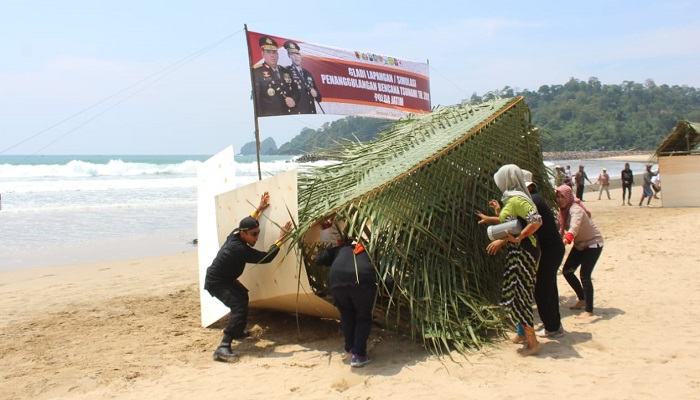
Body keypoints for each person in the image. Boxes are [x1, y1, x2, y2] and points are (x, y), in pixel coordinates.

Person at [204, 191, 293, 362]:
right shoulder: (239, 249)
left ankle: (237, 331)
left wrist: (258, 210)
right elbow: (267, 258)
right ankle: (223, 347)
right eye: (254, 234)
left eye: (258, 233)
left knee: (242, 297)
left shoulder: (236, 233)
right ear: (244, 234)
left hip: (225, 279)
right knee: (238, 306)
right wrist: (281, 239)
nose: (256, 237)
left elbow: (247, 221)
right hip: (217, 282)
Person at [476, 164, 543, 356]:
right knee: (517, 294)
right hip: (518, 252)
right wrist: (497, 213)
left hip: (524, 252)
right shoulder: (514, 199)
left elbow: (536, 220)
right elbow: (513, 223)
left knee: (520, 295)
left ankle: (533, 343)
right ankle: (525, 336)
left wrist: (517, 238)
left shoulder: (518, 199)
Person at [315, 235, 377, 368]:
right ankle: (359, 355)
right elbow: (385, 276)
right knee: (363, 316)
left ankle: (350, 348)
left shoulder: (341, 249)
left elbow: (319, 258)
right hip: (362, 280)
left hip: (337, 281)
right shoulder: (370, 250)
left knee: (347, 314)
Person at [523, 171, 566, 339]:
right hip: (553, 248)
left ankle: (552, 327)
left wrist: (516, 237)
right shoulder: (537, 198)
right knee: (548, 286)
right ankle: (554, 325)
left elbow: (528, 224)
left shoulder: (533, 200)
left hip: (551, 249)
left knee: (543, 288)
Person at [555, 184, 604, 319]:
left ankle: (589, 310)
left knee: (585, 275)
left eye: (562, 197)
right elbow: (559, 228)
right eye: (557, 197)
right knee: (567, 271)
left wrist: (566, 240)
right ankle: (582, 298)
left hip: (593, 243)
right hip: (580, 244)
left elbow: (574, 227)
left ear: (569, 197)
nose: (560, 200)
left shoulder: (575, 209)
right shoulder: (563, 212)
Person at [252, 36, 300, 117]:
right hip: (271, 118)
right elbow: (258, 101)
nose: (272, 55)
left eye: (274, 52)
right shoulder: (256, 72)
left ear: (277, 55)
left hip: (290, 115)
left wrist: (294, 100)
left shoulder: (285, 71)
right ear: (263, 54)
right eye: (268, 52)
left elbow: (296, 92)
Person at [283, 40, 322, 114]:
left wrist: (316, 94)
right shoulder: (286, 72)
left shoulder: (308, 74)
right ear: (289, 56)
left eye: (297, 54)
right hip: (298, 113)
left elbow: (319, 98)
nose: (296, 57)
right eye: (293, 54)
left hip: (311, 113)